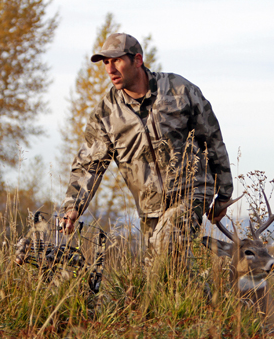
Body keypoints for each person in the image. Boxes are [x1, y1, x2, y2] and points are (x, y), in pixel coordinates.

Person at [62, 33, 233, 261]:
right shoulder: (106, 113)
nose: (110, 69)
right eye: (106, 62)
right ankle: (202, 297)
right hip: (150, 208)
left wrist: (224, 193)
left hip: (192, 192)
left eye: (117, 60)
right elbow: (89, 165)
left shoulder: (179, 90)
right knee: (161, 273)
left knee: (169, 239)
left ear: (138, 60)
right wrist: (74, 206)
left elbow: (212, 139)